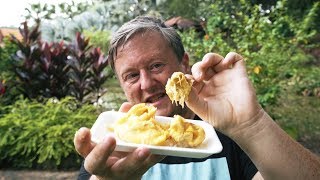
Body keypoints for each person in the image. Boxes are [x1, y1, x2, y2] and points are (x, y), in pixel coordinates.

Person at [74, 16, 320, 180]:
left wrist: (252, 125)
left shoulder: (229, 134)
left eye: (157, 65)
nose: (146, 83)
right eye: (131, 76)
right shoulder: (113, 144)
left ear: (184, 63)